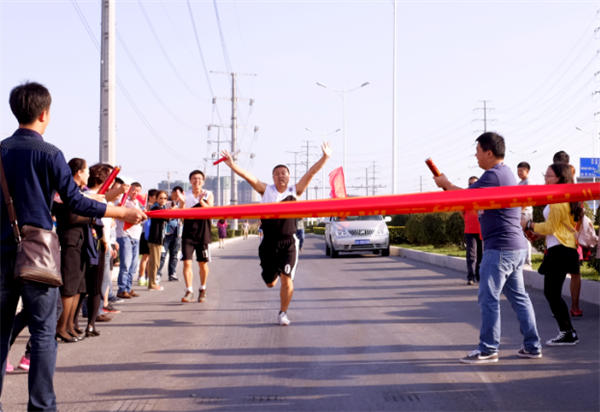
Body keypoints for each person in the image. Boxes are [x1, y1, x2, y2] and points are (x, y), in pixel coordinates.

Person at [0, 82, 145, 412]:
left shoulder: (1, 150)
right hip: (38, 255)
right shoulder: (50, 154)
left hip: (2, 254)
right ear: (44, 113)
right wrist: (122, 211)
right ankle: (41, 406)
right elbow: (77, 202)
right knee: (42, 335)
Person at [433, 132, 541, 364]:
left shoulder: (494, 175)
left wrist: (445, 184)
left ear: (489, 153)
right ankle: (532, 346)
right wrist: (447, 186)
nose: (476, 155)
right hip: (513, 246)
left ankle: (488, 348)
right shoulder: (505, 173)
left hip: (500, 248)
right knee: (519, 298)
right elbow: (470, 200)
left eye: (478, 151)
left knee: (489, 298)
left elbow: (462, 198)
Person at [220, 142, 332, 326]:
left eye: (284, 173)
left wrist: (325, 157)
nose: (281, 176)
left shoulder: (294, 191)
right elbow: (249, 177)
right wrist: (232, 165)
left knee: (287, 280)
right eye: (277, 173)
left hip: (288, 243)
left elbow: (310, 174)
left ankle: (283, 313)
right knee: (271, 282)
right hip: (268, 243)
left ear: (288, 177)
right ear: (272, 177)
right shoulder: (266, 190)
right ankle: (271, 275)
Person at [521, 163, 582, 346]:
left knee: (551, 292)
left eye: (548, 175)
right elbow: (556, 228)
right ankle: (568, 332)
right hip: (566, 248)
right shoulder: (568, 197)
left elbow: (550, 227)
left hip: (560, 250)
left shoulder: (557, 200)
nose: (545, 178)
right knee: (553, 292)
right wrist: (538, 234)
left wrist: (529, 224)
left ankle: (568, 333)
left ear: (560, 178)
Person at [553, 153, 583, 316]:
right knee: (575, 272)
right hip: (573, 235)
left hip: (559, 237)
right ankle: (574, 307)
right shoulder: (574, 180)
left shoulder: (556, 184)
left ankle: (558, 306)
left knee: (558, 273)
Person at [179, 170, 214, 303]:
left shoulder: (208, 194)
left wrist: (201, 201)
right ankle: (189, 291)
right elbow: (181, 217)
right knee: (187, 262)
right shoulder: (185, 195)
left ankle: (202, 289)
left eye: (199, 179)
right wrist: (182, 203)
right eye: (194, 178)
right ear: (190, 181)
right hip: (188, 233)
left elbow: (211, 213)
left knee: (202, 264)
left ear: (203, 181)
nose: (197, 181)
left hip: (203, 233)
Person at [116, 182, 144, 299]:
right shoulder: (123, 202)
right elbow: (118, 214)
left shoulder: (138, 204)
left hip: (136, 236)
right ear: (129, 190)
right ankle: (122, 289)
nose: (135, 193)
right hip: (124, 235)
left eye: (138, 191)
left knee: (133, 266)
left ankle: (128, 288)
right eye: (133, 190)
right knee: (125, 264)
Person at [158, 186, 183, 282]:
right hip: (166, 232)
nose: (177, 197)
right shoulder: (165, 202)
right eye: (175, 194)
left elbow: (183, 218)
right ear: (172, 193)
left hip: (177, 233)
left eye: (179, 195)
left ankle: (172, 273)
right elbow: (164, 217)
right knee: (162, 255)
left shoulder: (181, 204)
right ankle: (158, 274)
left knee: (175, 254)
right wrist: (172, 211)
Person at [461, 176, 482, 285]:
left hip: (482, 230)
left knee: (481, 254)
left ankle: (480, 276)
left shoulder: (483, 197)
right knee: (471, 254)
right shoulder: (466, 198)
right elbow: (461, 211)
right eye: (470, 184)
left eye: (474, 184)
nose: (472, 186)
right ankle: (471, 277)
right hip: (469, 230)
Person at [147, 191, 169, 291]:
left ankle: (152, 283)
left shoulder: (159, 208)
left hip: (157, 239)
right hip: (155, 239)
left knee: (154, 262)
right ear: (156, 198)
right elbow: (168, 217)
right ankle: (152, 284)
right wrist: (173, 210)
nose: (163, 200)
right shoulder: (156, 208)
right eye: (161, 198)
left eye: (165, 198)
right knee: (155, 263)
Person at [138, 189, 158, 287]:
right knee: (146, 257)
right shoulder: (145, 208)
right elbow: (141, 221)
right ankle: (142, 277)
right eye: (156, 197)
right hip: (146, 234)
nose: (157, 199)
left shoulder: (155, 207)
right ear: (150, 197)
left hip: (149, 234)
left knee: (148, 258)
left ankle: (147, 278)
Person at [517, 162, 533, 269]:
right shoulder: (519, 183)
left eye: (521, 170)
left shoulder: (528, 182)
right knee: (520, 236)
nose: (519, 173)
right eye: (518, 171)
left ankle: (528, 261)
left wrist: (519, 211)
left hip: (525, 212)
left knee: (526, 236)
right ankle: (521, 259)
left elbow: (528, 199)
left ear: (527, 171)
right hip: (519, 211)